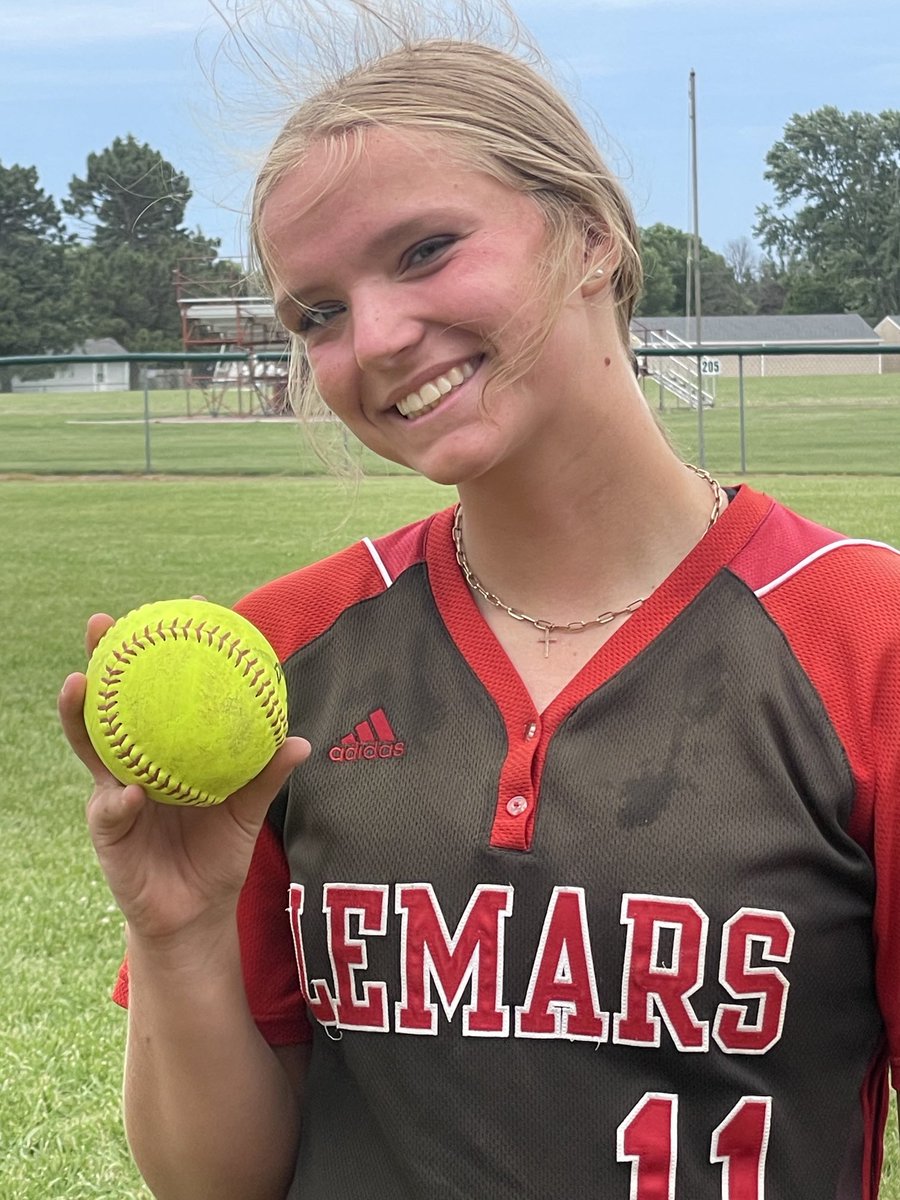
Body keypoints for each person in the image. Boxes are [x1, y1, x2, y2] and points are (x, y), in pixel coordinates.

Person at [59, 7, 900, 1198]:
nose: (380, 337)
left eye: (423, 250)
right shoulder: (291, 657)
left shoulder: (867, 639)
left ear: (594, 235)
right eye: (319, 313)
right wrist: (180, 936)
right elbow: (216, 1184)